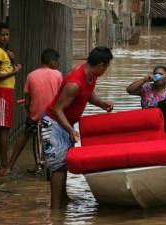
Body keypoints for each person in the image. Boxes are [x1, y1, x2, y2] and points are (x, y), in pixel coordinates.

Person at [43, 47, 114, 209]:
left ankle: (63, 199)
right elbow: (57, 109)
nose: (106, 70)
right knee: (58, 166)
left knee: (64, 162)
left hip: (66, 124)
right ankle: (55, 209)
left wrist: (102, 104)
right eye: (107, 66)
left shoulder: (90, 76)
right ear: (101, 65)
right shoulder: (74, 83)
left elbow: (88, 94)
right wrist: (70, 130)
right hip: (54, 123)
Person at [2, 49, 63, 176]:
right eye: (57, 62)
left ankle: (9, 167)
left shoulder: (31, 75)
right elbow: (61, 97)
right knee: (59, 138)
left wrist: (29, 112)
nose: (57, 65)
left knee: (23, 137)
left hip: (35, 116)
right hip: (52, 117)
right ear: (52, 62)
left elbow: (27, 98)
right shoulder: (57, 74)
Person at [0, 22, 21, 175]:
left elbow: (3, 70)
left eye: (7, 34)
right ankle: (3, 164)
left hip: (2, 92)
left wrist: (12, 62)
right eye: (2, 34)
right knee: (3, 129)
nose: (5, 37)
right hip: (2, 92)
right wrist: (14, 71)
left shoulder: (1, 52)